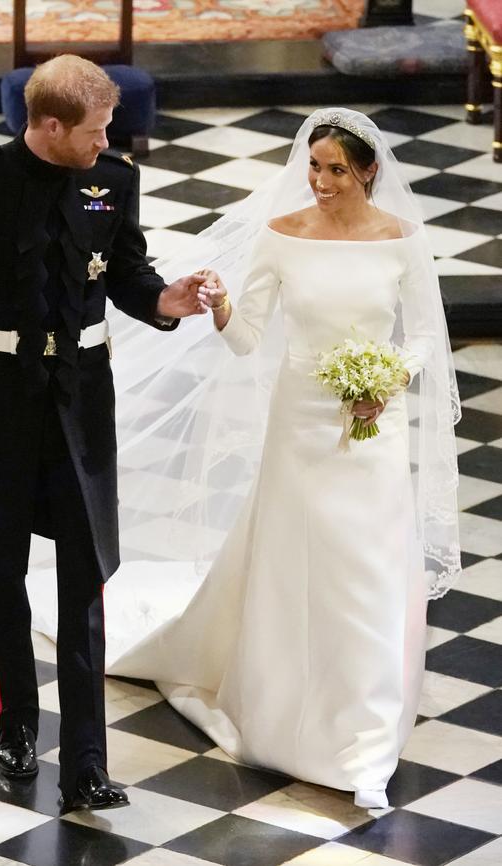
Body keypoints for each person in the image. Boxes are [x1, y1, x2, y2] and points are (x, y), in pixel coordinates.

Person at [97, 108, 462, 809]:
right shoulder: (282, 236)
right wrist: (225, 305)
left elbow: (423, 337)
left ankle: (365, 729)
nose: (319, 183)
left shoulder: (403, 241)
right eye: (314, 168)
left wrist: (387, 379)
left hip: (372, 424)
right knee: (300, 559)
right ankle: (287, 702)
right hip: (300, 420)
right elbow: (246, 339)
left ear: (368, 172)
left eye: (334, 170)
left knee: (368, 565)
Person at [0, 54, 206, 812]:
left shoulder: (114, 180)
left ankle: (89, 763)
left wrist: (165, 300)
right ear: (47, 125)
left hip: (81, 401)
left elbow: (128, 273)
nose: (107, 143)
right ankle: (15, 728)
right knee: (1, 567)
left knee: (86, 576)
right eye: (96, 131)